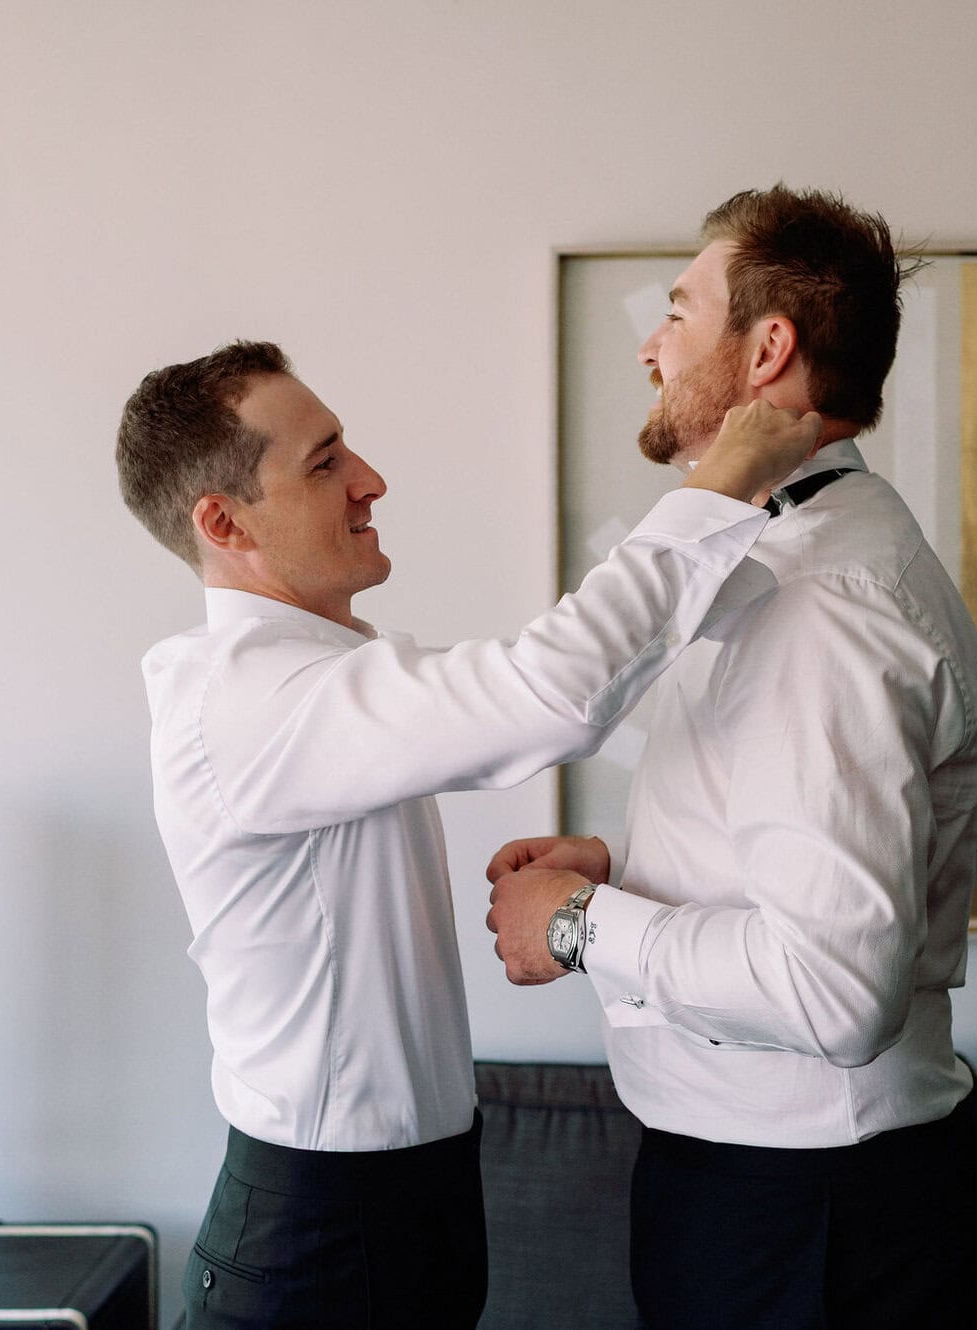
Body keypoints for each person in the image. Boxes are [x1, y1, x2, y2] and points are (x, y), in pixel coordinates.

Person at [114, 339, 818, 1330]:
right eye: (323, 464)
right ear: (224, 521)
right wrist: (723, 477)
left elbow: (577, 686)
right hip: (319, 1235)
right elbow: (551, 692)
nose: (369, 480)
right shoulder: (251, 702)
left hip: (403, 1206)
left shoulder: (320, 677)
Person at [484, 186, 977, 1329]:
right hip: (788, 1200)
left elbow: (832, 986)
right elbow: (793, 855)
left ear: (766, 348)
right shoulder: (799, 556)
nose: (649, 344)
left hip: (803, 1221)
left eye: (678, 311)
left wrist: (578, 926)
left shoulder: (822, 607)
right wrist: (632, 865)